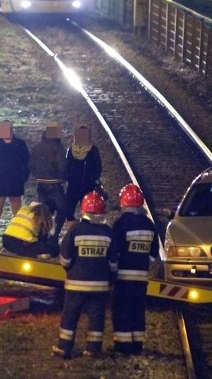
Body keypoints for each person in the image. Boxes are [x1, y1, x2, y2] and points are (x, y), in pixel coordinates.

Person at [52, 191, 117, 360]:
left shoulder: (75, 231)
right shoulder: (109, 233)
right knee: (96, 317)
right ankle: (93, 349)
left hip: (76, 284)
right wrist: (110, 278)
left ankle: (64, 348)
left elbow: (65, 258)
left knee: (70, 315)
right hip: (100, 285)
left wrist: (71, 271)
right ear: (103, 212)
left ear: (83, 211)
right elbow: (113, 263)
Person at [111, 183, 158, 356]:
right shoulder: (149, 225)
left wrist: (113, 270)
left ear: (123, 202)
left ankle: (123, 346)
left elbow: (114, 251)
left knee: (122, 309)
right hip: (141, 277)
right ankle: (137, 344)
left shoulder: (121, 224)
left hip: (123, 276)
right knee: (138, 310)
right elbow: (154, 254)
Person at [0, 119, 30, 249]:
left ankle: (19, 239)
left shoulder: (20, 144)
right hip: (0, 183)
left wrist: (22, 178)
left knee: (18, 213)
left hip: (15, 183)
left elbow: (27, 164)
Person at [29, 121, 68, 241]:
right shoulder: (58, 147)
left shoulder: (36, 147)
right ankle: (54, 235)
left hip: (41, 185)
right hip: (55, 185)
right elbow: (63, 167)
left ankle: (42, 236)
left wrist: (38, 176)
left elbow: (30, 165)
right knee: (62, 210)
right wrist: (63, 178)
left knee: (45, 212)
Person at [63, 125, 102, 227]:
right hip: (73, 186)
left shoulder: (93, 150)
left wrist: (91, 179)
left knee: (87, 211)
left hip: (87, 186)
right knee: (68, 211)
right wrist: (69, 177)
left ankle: (84, 230)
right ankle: (74, 231)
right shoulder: (71, 149)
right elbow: (66, 166)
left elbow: (98, 168)